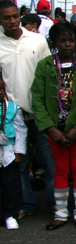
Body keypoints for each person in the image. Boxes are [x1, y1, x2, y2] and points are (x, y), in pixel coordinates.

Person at [31, 22, 76, 230]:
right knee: (60, 170)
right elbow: (37, 99)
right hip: (55, 129)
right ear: (54, 42)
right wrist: (51, 129)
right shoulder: (45, 66)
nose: (67, 44)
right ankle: (60, 213)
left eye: (71, 40)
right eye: (62, 40)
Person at [0, 0, 53, 221]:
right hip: (12, 117)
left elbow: (50, 74)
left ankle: (55, 205)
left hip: (40, 113)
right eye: (6, 17)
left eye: (15, 16)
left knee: (50, 162)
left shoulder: (38, 40)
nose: (12, 21)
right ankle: (25, 204)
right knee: (18, 165)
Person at [0, 76, 26, 230]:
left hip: (8, 151)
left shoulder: (12, 108)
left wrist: (19, 152)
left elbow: (21, 130)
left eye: (2, 89)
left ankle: (10, 215)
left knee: (10, 185)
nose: (0, 92)